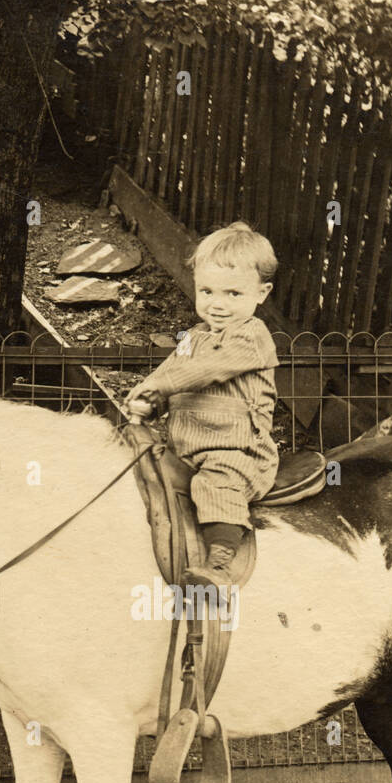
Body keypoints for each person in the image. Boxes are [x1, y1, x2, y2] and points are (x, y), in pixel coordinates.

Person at [123, 221, 280, 586]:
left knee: (215, 486)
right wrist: (149, 399)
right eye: (207, 291)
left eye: (233, 294)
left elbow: (205, 371)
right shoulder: (194, 337)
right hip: (187, 449)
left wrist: (160, 385)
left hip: (237, 453)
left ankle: (220, 564)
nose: (218, 304)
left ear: (262, 293)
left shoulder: (252, 337)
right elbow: (171, 373)